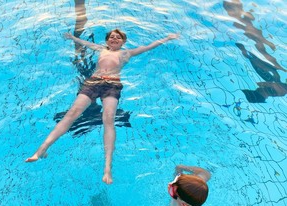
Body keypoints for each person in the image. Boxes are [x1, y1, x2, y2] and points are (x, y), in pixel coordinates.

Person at [25, 29, 180, 184]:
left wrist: (167, 38)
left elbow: (148, 47)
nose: (114, 39)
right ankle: (42, 150)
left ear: (123, 42)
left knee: (108, 119)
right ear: (107, 41)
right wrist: (73, 37)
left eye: (118, 37)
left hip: (112, 85)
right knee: (72, 113)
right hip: (93, 82)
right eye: (111, 37)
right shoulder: (101, 49)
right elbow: (86, 43)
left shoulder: (126, 54)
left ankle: (107, 168)